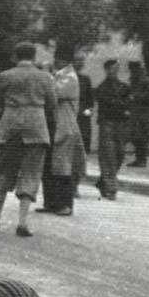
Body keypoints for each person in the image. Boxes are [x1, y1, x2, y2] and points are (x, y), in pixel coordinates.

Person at [0, 42, 56, 237]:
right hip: (36, 126)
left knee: (4, 169)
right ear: (34, 57)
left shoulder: (6, 75)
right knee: (31, 172)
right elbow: (52, 103)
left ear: (16, 56)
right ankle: (22, 222)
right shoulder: (45, 77)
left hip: (11, 126)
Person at [38, 45, 85, 216]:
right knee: (49, 166)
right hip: (53, 125)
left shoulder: (70, 78)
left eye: (60, 58)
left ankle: (65, 204)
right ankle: (50, 202)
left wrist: (44, 74)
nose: (56, 61)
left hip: (64, 126)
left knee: (63, 167)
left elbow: (52, 92)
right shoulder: (58, 75)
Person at [94, 59, 130, 200]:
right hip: (107, 123)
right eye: (112, 68)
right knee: (108, 155)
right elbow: (108, 103)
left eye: (117, 68)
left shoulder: (124, 87)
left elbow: (129, 103)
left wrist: (119, 105)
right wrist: (121, 106)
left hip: (121, 123)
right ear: (107, 70)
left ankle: (103, 182)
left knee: (120, 153)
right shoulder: (102, 88)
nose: (115, 71)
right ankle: (111, 188)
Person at [126, 60, 149, 167]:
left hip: (143, 113)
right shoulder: (136, 78)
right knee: (136, 136)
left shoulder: (144, 79)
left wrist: (135, 96)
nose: (131, 72)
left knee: (141, 137)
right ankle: (139, 159)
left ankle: (142, 160)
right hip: (136, 112)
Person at [73, 51, 94, 155]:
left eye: (82, 60)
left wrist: (89, 111)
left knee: (83, 140)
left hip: (83, 116)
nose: (80, 63)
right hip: (71, 114)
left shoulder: (85, 79)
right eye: (78, 60)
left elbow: (90, 99)